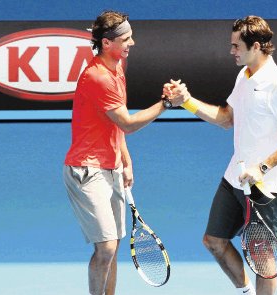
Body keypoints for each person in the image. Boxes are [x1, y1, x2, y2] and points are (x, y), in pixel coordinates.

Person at [165, 16, 277, 295]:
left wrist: (263, 167)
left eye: (236, 46)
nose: (232, 51)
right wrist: (187, 102)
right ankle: (246, 292)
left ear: (255, 46)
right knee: (213, 241)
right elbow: (227, 118)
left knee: (262, 257)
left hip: (266, 187)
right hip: (235, 178)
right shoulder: (244, 75)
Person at [63, 10, 184, 295]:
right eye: (126, 39)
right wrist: (166, 104)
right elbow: (127, 123)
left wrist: (125, 159)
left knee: (114, 246)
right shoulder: (99, 77)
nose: (132, 43)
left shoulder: (118, 67)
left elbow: (114, 125)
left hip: (111, 166)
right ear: (107, 43)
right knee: (105, 248)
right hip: (86, 170)